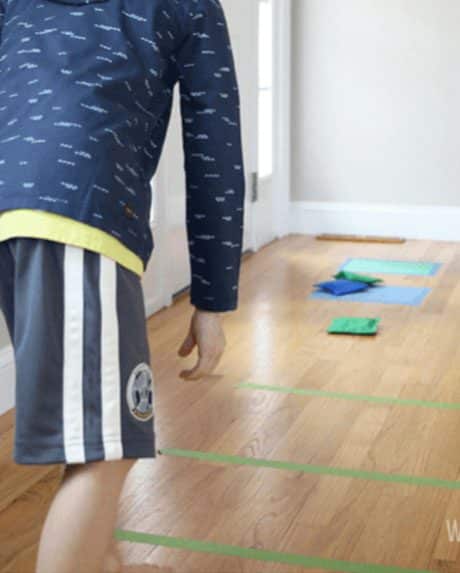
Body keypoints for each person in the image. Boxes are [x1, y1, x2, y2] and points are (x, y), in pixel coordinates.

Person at [0, 0, 245, 571]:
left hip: (12, 211)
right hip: (82, 211)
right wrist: (212, 298)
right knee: (107, 453)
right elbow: (214, 150)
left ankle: (105, 562)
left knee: (95, 436)